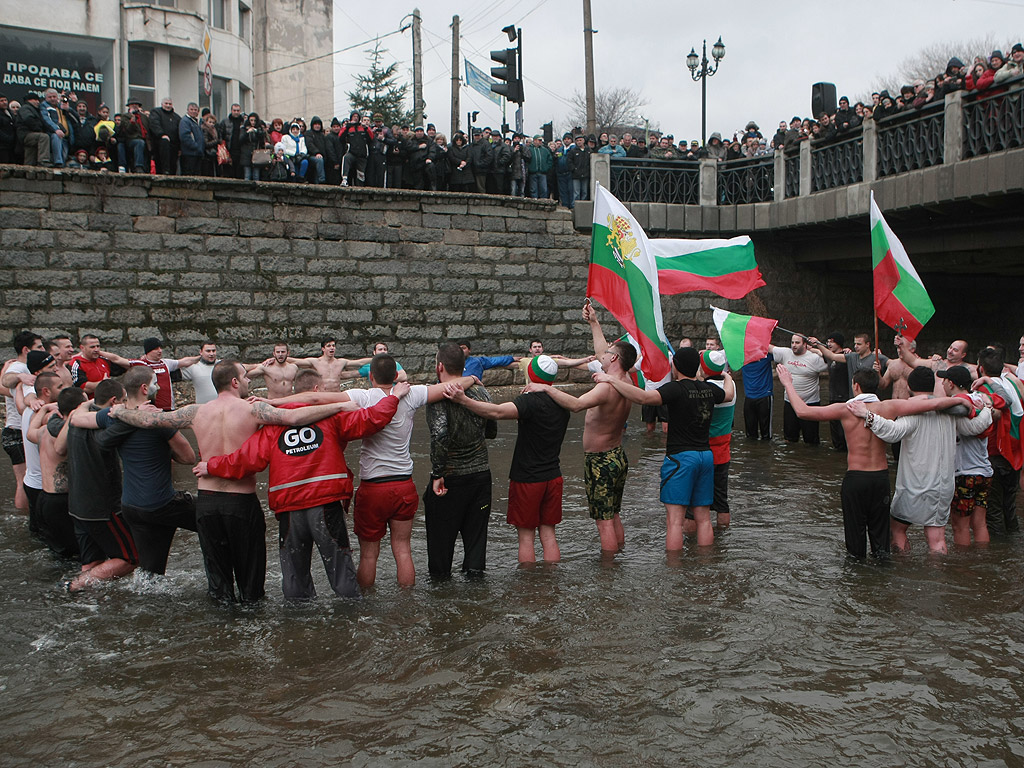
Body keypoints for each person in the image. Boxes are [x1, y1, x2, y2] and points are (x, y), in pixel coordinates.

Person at [106, 361, 358, 602]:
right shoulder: (253, 410)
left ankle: (223, 633)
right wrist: (339, 406)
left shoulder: (195, 411)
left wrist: (120, 411)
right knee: (251, 584)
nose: (250, 380)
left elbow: (149, 421)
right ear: (235, 382)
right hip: (241, 503)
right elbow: (294, 418)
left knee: (218, 583)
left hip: (207, 504)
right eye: (246, 376)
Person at [191, 371, 407, 599]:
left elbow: (245, 459)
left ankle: (296, 624)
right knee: (341, 572)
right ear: (317, 392)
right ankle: (348, 622)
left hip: (288, 508)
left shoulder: (274, 424)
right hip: (325, 504)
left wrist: (211, 466)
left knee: (294, 577)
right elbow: (372, 419)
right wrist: (394, 397)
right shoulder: (331, 416)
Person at [595, 347, 732, 549]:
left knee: (675, 521)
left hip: (681, 459)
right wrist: (726, 376)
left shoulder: (675, 389)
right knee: (703, 518)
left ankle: (674, 573)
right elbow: (728, 395)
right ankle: (706, 565)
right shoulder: (708, 389)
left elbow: (643, 398)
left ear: (675, 366)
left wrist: (612, 380)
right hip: (706, 457)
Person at [68, 366, 196, 577]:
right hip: (161, 503)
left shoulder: (112, 416)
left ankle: (80, 585)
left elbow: (76, 419)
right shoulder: (158, 419)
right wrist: (163, 450)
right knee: (210, 520)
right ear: (145, 388)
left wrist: (89, 402)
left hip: (131, 506)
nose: (158, 385)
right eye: (155, 381)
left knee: (150, 571)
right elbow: (188, 457)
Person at [528, 305, 637, 553]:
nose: (604, 352)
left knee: (603, 520)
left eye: (609, 351)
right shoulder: (625, 381)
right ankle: (619, 555)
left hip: (600, 461)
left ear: (614, 359)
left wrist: (546, 388)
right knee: (614, 512)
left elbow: (576, 405)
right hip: (618, 456)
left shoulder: (605, 388)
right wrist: (594, 322)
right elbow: (601, 350)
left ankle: (608, 570)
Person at [849, 366, 992, 554]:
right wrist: (988, 409)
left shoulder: (913, 413)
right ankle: (940, 578)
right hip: (943, 486)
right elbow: (975, 428)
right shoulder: (950, 412)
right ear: (932, 386)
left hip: (915, 486)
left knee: (897, 530)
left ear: (909, 386)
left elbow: (892, 432)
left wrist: (867, 415)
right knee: (937, 537)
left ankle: (901, 575)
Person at [446, 355, 571, 563]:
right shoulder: (562, 403)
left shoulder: (529, 401)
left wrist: (463, 400)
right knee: (549, 534)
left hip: (528, 478)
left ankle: (527, 589)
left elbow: (496, 412)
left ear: (531, 374)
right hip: (553, 477)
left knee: (526, 537)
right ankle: (551, 586)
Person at [423, 342, 497, 579]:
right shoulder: (480, 390)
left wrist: (437, 473)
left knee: (440, 546)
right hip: (480, 476)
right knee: (477, 543)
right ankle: (476, 590)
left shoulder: (439, 395)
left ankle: (441, 593)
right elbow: (492, 430)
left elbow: (440, 434)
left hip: (450, 479)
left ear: (440, 366)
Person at [59, 379, 137, 592]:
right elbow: (127, 422)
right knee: (131, 557)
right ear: (114, 402)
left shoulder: (76, 419)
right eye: (123, 400)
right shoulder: (106, 425)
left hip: (76, 506)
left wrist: (85, 404)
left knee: (92, 561)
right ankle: (76, 586)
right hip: (102, 508)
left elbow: (79, 412)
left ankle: (89, 601)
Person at [941, 365, 995, 547]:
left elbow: (967, 429)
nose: (942, 383)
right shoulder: (980, 398)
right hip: (984, 472)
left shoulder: (956, 403)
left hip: (965, 474)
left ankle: (963, 569)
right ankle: (981, 562)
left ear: (950, 383)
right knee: (979, 523)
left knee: (959, 526)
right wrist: (988, 408)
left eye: (944, 380)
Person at [25, 372, 77, 558]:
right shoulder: (66, 433)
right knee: (71, 554)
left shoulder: (44, 430)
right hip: (61, 501)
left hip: (44, 498)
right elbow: (60, 448)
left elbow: (30, 432)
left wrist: (43, 410)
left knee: (56, 551)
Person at [1, 331, 45, 515]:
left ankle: (28, 514)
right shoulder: (18, 367)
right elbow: (6, 380)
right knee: (23, 479)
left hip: (20, 429)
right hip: (16, 431)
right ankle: (23, 516)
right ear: (26, 350)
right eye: (39, 347)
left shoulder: (23, 366)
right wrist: (19, 377)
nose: (43, 350)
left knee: (28, 477)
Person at [99, 337, 199, 411]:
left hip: (169, 407)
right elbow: (117, 359)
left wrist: (200, 357)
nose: (160, 351)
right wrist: (99, 352)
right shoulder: (141, 363)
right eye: (156, 349)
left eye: (160, 348)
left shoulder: (165, 363)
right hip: (151, 408)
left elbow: (184, 362)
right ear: (148, 351)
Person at [771, 334, 827, 444]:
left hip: (810, 404)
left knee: (811, 441)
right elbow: (768, 348)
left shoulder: (814, 358)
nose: (794, 345)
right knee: (789, 439)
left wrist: (817, 350)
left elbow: (832, 358)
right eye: (792, 342)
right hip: (790, 403)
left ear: (805, 344)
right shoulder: (786, 353)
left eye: (797, 343)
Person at [741, 353, 773, 440]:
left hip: (765, 395)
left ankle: (765, 451)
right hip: (749, 397)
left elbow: (785, 353)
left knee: (766, 434)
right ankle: (753, 451)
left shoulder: (766, 355)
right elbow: (722, 356)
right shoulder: (741, 356)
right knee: (750, 435)